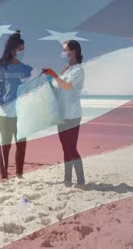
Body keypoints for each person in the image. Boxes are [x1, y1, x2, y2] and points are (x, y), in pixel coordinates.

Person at [0, 30, 33, 179]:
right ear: (13, 50)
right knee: (6, 145)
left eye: (24, 50)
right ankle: (4, 175)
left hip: (22, 111)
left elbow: (31, 86)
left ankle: (19, 174)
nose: (23, 53)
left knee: (21, 144)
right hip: (5, 111)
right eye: (21, 50)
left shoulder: (25, 68)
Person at [43, 40, 86, 190]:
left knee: (71, 147)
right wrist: (49, 80)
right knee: (65, 148)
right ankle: (67, 180)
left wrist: (54, 75)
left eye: (64, 50)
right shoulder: (66, 70)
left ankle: (80, 181)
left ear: (73, 51)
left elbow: (67, 87)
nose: (63, 53)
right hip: (61, 114)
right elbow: (56, 90)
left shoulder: (78, 70)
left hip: (73, 114)